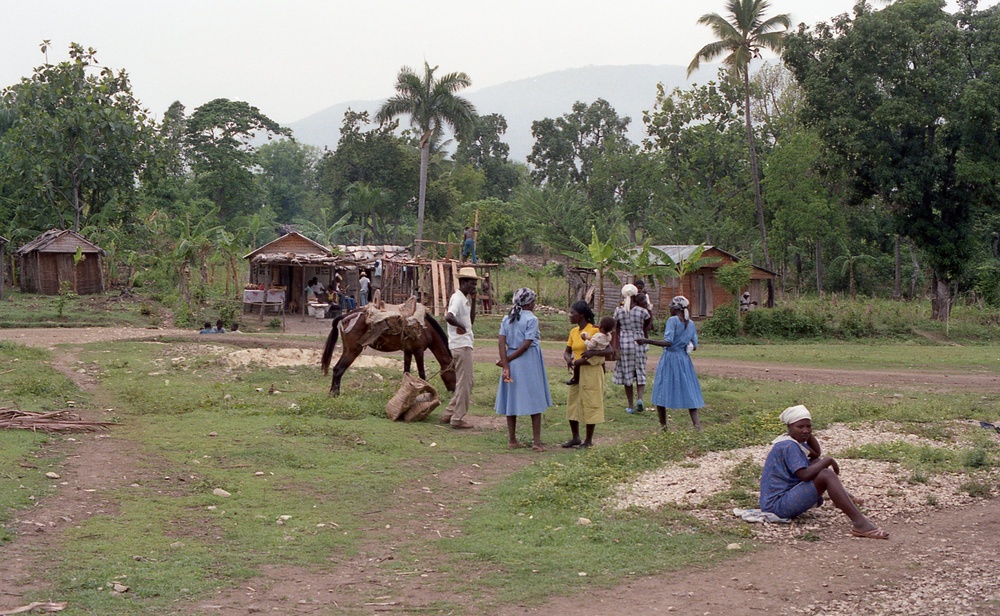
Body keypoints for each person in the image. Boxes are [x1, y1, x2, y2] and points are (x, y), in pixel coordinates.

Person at [761, 405, 889, 539]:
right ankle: (860, 524)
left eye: (808, 426)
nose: (805, 430)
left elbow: (816, 453)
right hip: (777, 507)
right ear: (789, 427)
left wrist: (806, 434)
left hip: (779, 501)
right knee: (826, 473)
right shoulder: (788, 446)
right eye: (800, 427)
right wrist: (828, 460)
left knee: (817, 462)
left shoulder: (792, 441)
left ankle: (843, 498)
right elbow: (804, 475)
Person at [495, 287, 551, 451]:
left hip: (511, 360)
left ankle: (512, 440)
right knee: (534, 396)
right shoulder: (532, 319)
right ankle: (536, 442)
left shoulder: (508, 318)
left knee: (511, 397)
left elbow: (501, 341)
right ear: (530, 303)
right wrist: (508, 360)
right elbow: (526, 344)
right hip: (528, 361)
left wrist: (505, 362)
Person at [638, 296, 704, 430]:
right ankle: (696, 424)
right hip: (684, 360)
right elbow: (694, 345)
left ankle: (663, 426)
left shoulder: (672, 321)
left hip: (670, 358)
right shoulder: (690, 323)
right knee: (688, 389)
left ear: (674, 309)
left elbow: (668, 342)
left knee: (662, 390)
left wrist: (646, 340)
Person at [561, 300, 613, 450]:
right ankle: (575, 437)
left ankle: (588, 439)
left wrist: (592, 353)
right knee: (573, 403)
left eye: (573, 313)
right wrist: (568, 359)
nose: (570, 316)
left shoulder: (595, 330)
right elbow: (567, 350)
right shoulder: (573, 332)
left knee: (591, 402)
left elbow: (610, 351)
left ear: (581, 315)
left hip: (591, 371)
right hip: (576, 371)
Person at [440, 267, 480, 430]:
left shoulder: (464, 299)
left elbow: (470, 320)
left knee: (464, 382)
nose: (474, 287)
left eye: (475, 284)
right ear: (463, 282)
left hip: (462, 344)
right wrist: (460, 326)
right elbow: (449, 316)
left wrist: (475, 300)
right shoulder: (457, 298)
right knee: (465, 383)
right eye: (471, 284)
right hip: (461, 345)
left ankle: (449, 413)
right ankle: (457, 418)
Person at [613, 284, 652, 414]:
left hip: (624, 343)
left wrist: (616, 345)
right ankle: (640, 399)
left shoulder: (618, 311)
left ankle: (630, 405)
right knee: (640, 370)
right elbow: (648, 325)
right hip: (639, 342)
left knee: (627, 374)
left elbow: (616, 328)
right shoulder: (642, 312)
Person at [566, 316, 614, 385]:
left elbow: (591, 345)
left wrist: (585, 340)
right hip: (600, 358)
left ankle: (575, 378)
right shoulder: (609, 335)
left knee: (577, 363)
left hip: (591, 357)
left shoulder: (597, 336)